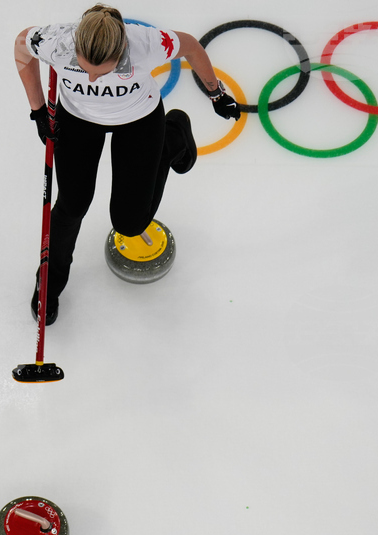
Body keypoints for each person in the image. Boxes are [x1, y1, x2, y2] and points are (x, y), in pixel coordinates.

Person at [14, 4, 239, 324]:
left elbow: (191, 45)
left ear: (122, 51)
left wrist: (216, 93)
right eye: (84, 67)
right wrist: (38, 111)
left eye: (101, 70)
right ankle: (50, 281)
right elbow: (21, 47)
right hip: (78, 120)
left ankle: (172, 138)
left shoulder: (145, 44)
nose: (91, 77)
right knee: (71, 205)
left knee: (130, 223)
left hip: (138, 120)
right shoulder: (57, 42)